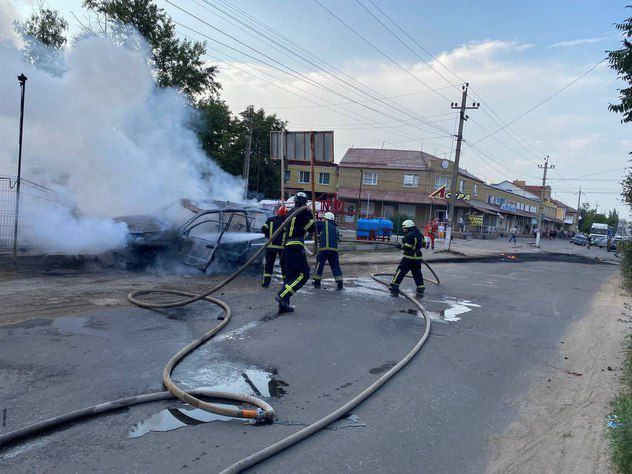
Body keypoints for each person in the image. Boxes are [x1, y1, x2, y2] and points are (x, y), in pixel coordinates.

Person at [275, 192, 315, 315]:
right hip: (296, 246)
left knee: (290, 276)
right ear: (305, 202)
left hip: (286, 248)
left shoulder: (290, 212)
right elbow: (312, 228)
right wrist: (309, 212)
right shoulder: (303, 212)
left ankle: (283, 306)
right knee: (304, 274)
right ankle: (283, 295)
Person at [390, 219, 425, 298]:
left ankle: (394, 285)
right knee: (417, 273)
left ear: (408, 227)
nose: (404, 230)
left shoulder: (410, 235)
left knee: (400, 271)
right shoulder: (420, 234)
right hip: (418, 257)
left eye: (404, 228)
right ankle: (421, 288)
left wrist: (400, 246)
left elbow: (407, 247)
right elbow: (423, 244)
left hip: (408, 257)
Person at [312, 212, 343, 290]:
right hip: (334, 250)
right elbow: (338, 239)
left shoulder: (323, 224)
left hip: (324, 249)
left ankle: (317, 282)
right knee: (335, 266)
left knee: (320, 265)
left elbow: (313, 225)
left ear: (326, 218)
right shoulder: (335, 227)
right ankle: (340, 283)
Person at [260, 205, 287, 288]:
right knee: (284, 265)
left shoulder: (270, 220)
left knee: (269, 265)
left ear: (277, 212)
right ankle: (286, 283)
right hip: (282, 247)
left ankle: (266, 284)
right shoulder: (287, 222)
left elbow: (263, 229)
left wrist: (268, 235)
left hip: (270, 246)